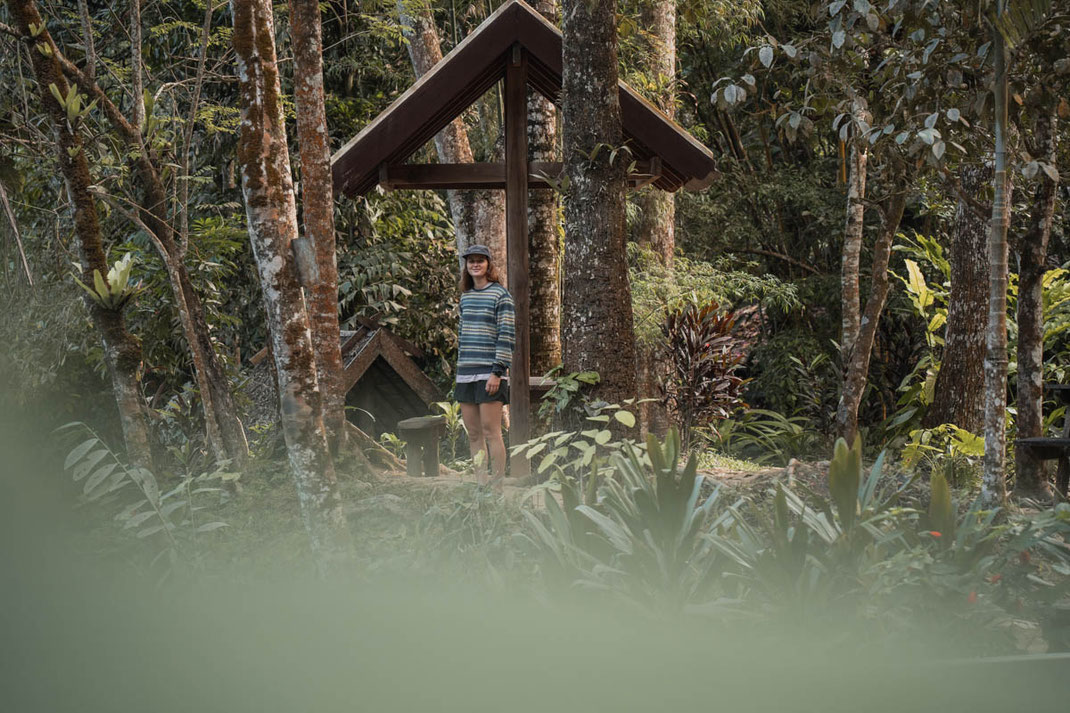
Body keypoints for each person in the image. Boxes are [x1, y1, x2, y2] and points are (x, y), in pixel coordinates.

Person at [455, 244, 515, 487]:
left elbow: (506, 335)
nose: (475, 264)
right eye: (471, 261)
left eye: (480, 260)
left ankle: (498, 485)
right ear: (466, 266)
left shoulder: (501, 295)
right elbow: (463, 335)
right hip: (465, 371)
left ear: (489, 264)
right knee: (474, 433)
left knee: (492, 432)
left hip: (490, 373)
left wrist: (497, 372)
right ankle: (481, 485)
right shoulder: (466, 297)